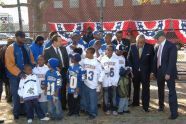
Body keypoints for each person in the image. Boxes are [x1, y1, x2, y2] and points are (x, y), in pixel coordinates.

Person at [5, 31, 35, 119]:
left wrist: (33, 66)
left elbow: (31, 59)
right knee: (16, 94)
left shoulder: (26, 47)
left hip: (26, 75)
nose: (23, 39)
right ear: (16, 37)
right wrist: (19, 73)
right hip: (14, 76)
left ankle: (25, 111)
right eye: (21, 37)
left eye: (24, 37)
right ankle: (16, 113)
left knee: (25, 94)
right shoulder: (10, 48)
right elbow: (9, 64)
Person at [153, 31, 178, 119]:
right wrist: (154, 71)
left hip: (168, 73)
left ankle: (174, 113)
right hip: (159, 71)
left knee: (171, 92)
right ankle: (161, 106)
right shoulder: (157, 47)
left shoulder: (171, 46)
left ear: (162, 37)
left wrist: (168, 73)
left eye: (157, 38)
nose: (156, 40)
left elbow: (172, 61)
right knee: (160, 90)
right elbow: (155, 60)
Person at [128, 34, 154, 112]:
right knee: (136, 88)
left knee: (146, 89)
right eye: (138, 42)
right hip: (135, 72)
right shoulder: (132, 47)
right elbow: (129, 59)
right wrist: (131, 69)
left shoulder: (149, 47)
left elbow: (152, 61)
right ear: (136, 41)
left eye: (142, 42)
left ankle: (145, 106)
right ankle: (135, 103)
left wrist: (152, 72)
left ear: (144, 41)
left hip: (145, 72)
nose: (140, 44)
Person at [44, 34, 69, 110]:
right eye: (59, 41)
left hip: (64, 71)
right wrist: (54, 69)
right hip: (54, 73)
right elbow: (46, 62)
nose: (61, 43)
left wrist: (66, 69)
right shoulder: (47, 50)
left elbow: (66, 60)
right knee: (56, 89)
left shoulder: (63, 49)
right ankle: (55, 106)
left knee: (63, 88)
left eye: (61, 41)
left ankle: (63, 106)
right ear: (54, 42)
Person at [81, 47, 104, 119]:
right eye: (86, 52)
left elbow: (103, 71)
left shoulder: (97, 62)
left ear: (92, 54)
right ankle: (88, 110)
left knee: (93, 100)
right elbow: (80, 68)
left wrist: (100, 81)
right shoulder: (84, 61)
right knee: (86, 98)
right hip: (85, 82)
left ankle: (93, 113)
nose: (86, 54)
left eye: (87, 52)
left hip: (93, 84)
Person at [99, 45, 120, 116]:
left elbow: (117, 71)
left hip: (113, 80)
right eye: (108, 50)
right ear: (105, 50)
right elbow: (100, 69)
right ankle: (107, 109)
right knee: (106, 95)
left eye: (111, 50)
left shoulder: (116, 59)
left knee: (113, 95)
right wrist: (101, 79)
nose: (109, 51)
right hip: (105, 80)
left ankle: (114, 109)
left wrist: (116, 81)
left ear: (113, 51)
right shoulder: (102, 59)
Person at [0, 38, 14, 102]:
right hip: (6, 69)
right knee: (8, 83)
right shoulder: (7, 49)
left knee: (6, 84)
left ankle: (8, 96)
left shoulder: (3, 48)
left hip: (4, 69)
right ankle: (9, 97)